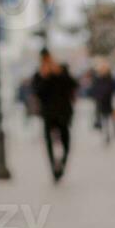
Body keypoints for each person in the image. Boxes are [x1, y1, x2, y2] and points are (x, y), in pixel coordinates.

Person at [29, 49, 78, 181]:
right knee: (48, 141)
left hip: (64, 113)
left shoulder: (61, 69)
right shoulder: (39, 74)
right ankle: (53, 168)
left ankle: (62, 162)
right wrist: (44, 77)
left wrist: (59, 73)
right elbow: (36, 92)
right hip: (48, 114)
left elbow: (73, 84)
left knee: (66, 140)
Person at [88, 58, 115, 142]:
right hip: (100, 102)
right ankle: (104, 133)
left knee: (110, 118)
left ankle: (110, 133)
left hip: (109, 101)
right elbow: (93, 90)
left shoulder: (111, 79)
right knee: (102, 118)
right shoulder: (97, 79)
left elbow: (113, 88)